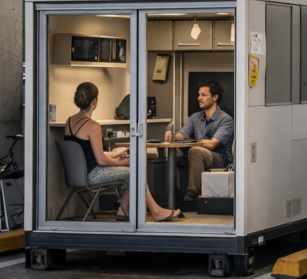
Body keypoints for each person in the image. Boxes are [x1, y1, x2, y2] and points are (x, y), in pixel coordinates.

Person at [64, 82, 182, 222]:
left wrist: (115, 155)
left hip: (77, 175)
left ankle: (123, 210)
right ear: (95, 101)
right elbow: (101, 160)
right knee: (135, 170)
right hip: (92, 175)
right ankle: (156, 211)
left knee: (130, 165)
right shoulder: (92, 125)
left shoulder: (69, 122)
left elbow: (86, 153)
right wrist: (125, 162)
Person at [168, 79, 234, 208]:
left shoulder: (226, 119)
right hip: (198, 153)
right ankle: (172, 192)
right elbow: (183, 133)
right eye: (199, 95)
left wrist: (193, 142)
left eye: (203, 95)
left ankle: (192, 196)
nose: (199, 98)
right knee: (174, 150)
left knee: (195, 150)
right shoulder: (195, 117)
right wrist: (175, 136)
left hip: (220, 158)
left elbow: (213, 144)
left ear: (215, 97)